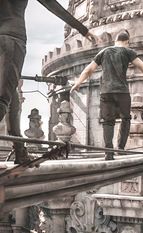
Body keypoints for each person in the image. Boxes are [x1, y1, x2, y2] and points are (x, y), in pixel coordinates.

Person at [0, 0, 97, 164]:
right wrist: (83, 29)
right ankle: (20, 151)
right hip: (13, 39)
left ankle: (19, 151)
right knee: (3, 99)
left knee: (13, 98)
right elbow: (52, 5)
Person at [71, 31, 143, 160]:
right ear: (127, 42)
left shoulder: (104, 52)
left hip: (106, 92)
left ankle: (109, 152)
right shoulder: (127, 51)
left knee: (108, 122)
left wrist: (78, 82)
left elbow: (88, 69)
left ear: (115, 41)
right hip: (122, 91)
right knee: (126, 118)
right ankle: (121, 148)